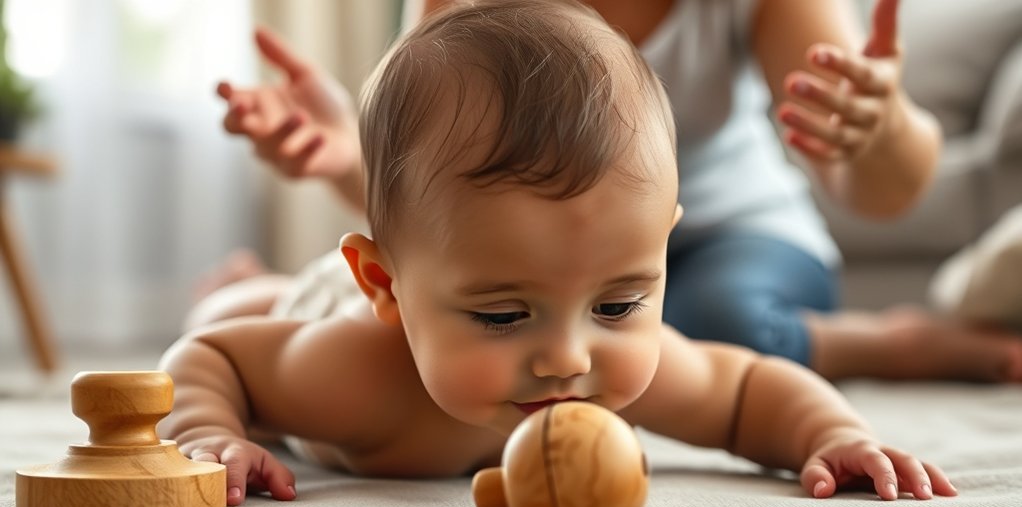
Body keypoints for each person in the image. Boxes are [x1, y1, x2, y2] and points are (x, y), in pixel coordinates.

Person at [160, 0, 957, 507]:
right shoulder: (351, 375)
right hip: (326, 303)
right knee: (228, 312)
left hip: (751, 224)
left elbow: (746, 389)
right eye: (504, 314)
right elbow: (208, 357)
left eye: (618, 304)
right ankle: (252, 283)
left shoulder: (606, 366)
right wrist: (210, 430)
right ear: (386, 283)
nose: (568, 356)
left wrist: (834, 437)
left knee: (727, 328)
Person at [204, 0, 1022, 384]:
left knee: (693, 338)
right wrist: (350, 153)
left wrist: (879, 132)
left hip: (737, 230)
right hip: (556, 255)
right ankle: (284, 299)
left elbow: (875, 193)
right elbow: (436, 210)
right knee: (447, 325)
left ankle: (884, 343)